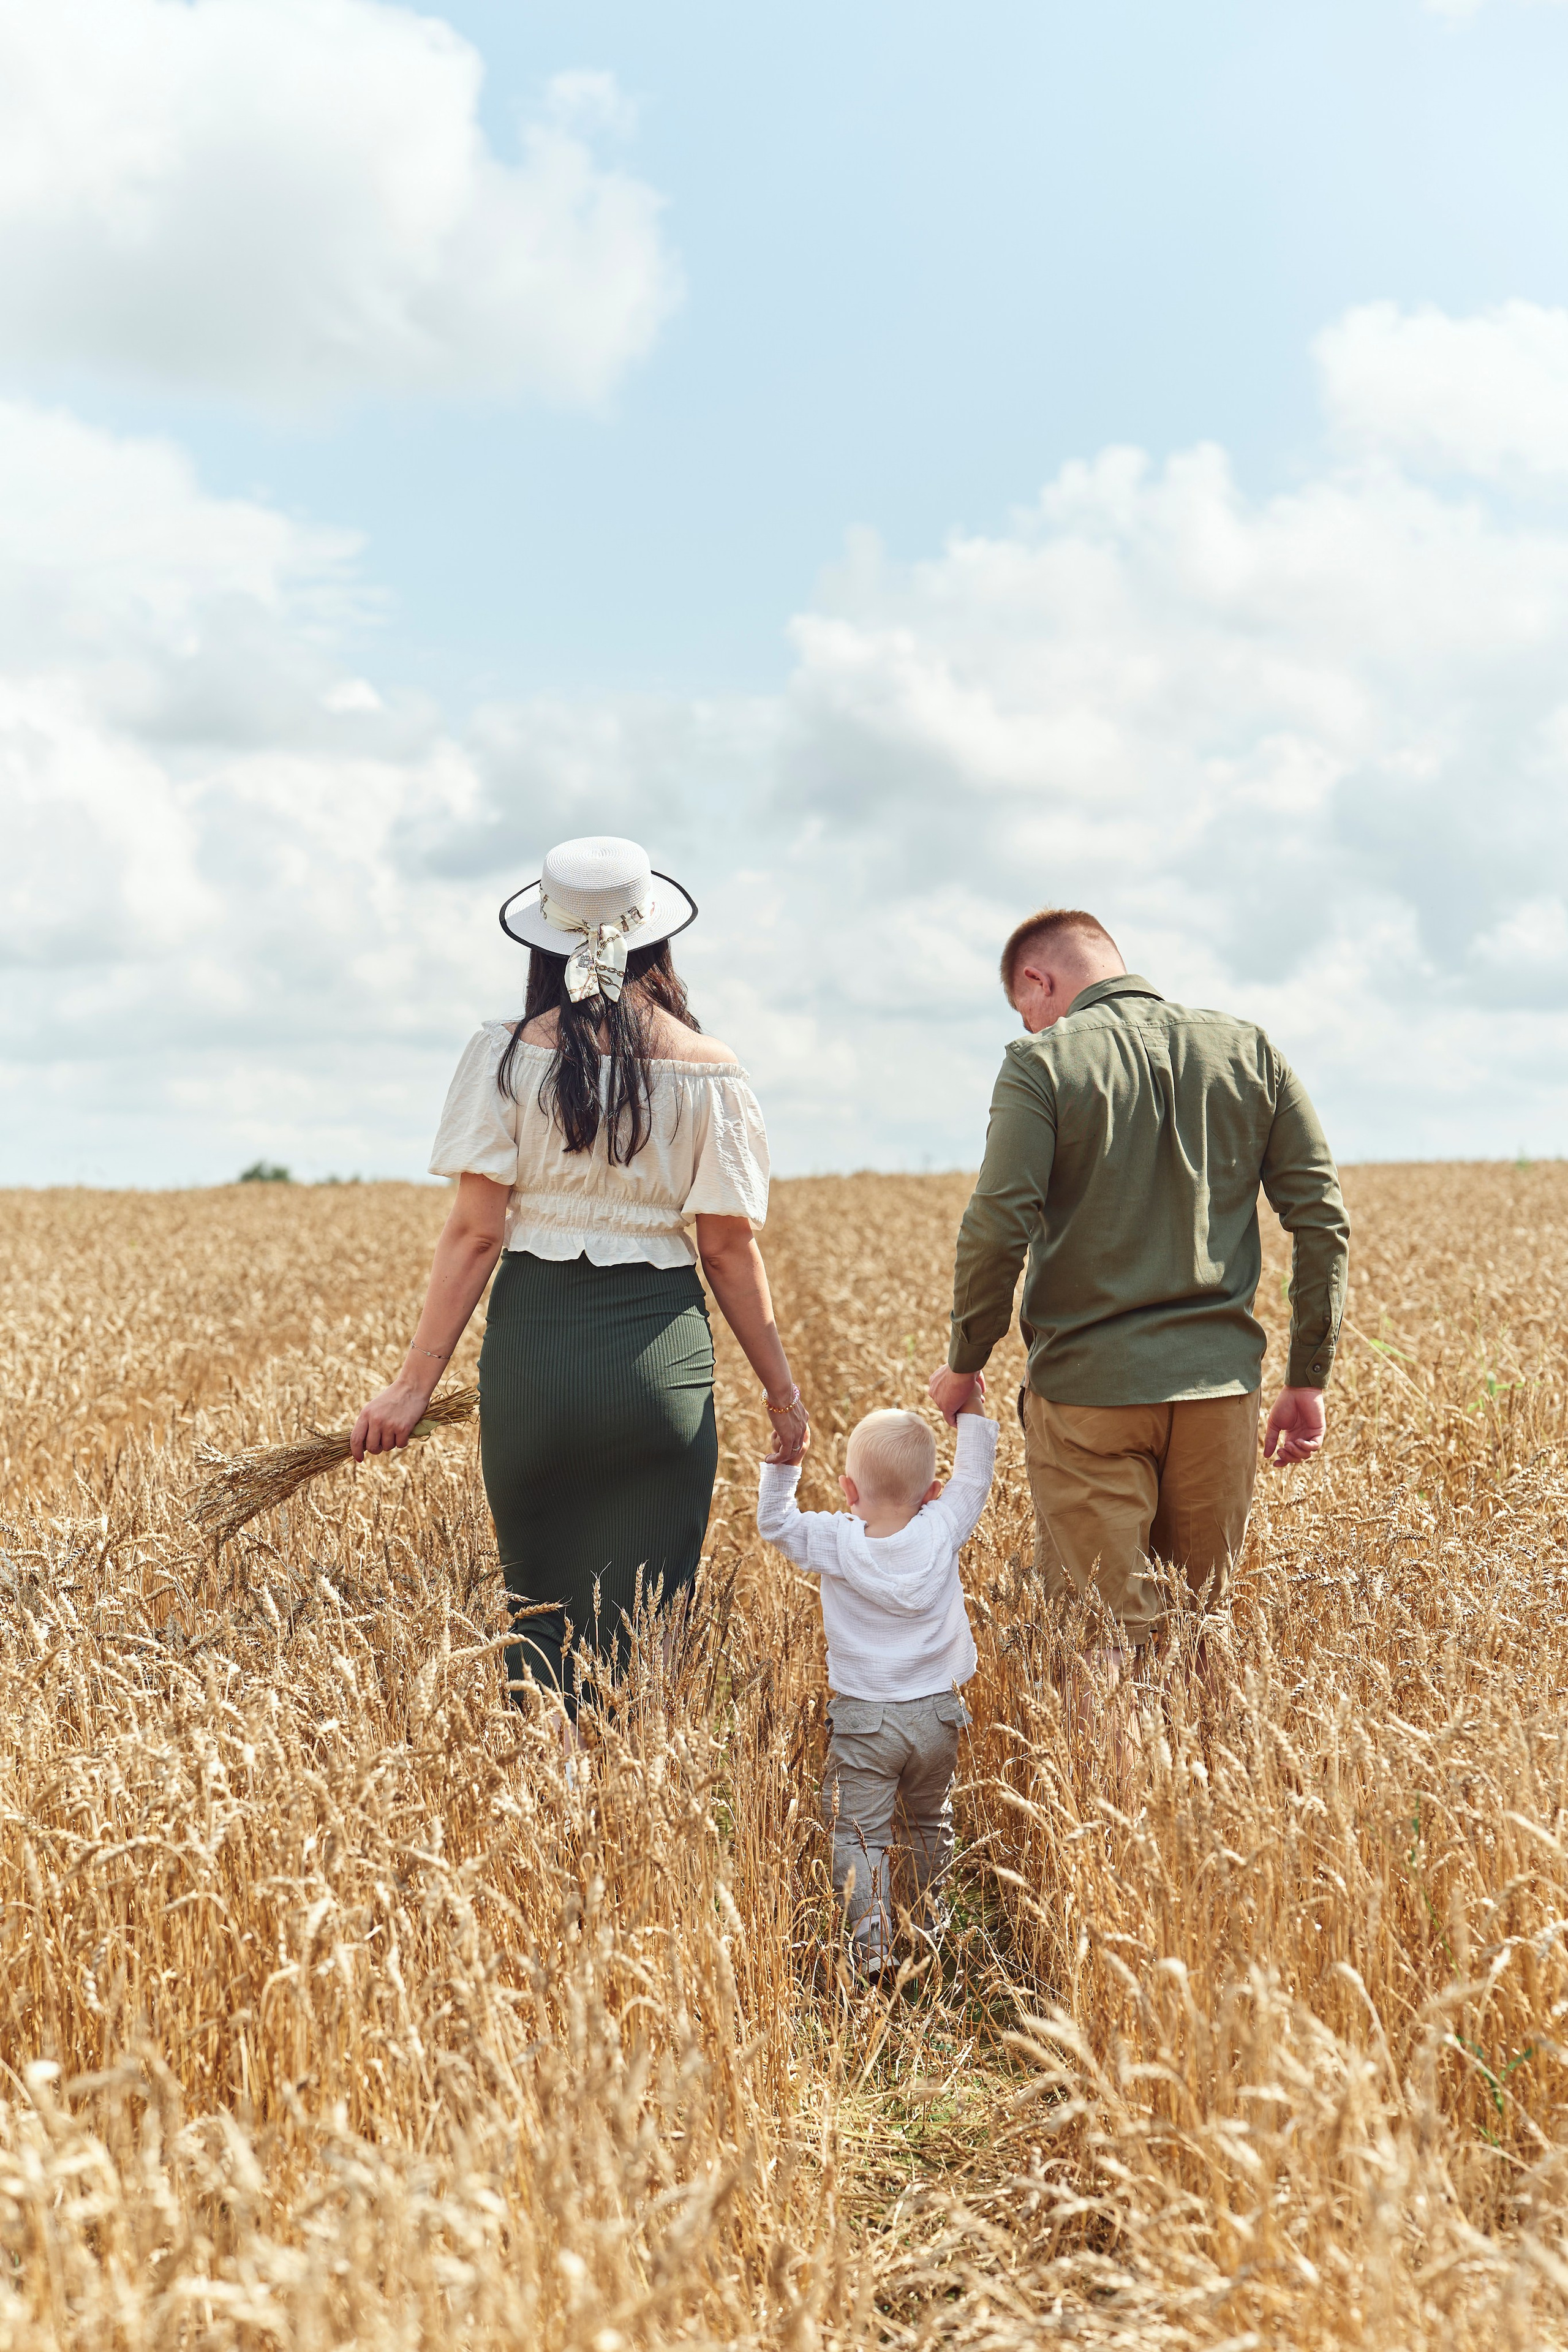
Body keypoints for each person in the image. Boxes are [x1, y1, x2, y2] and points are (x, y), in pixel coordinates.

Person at [352, 834, 810, 1720]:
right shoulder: (710, 1071)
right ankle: (634, 1821)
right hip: (658, 1368)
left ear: (544, 941)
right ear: (656, 939)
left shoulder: (503, 1055)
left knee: (540, 1623)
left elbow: (475, 1235)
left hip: (535, 1365)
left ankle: (544, 1828)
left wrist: (413, 1387)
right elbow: (725, 1251)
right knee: (647, 1632)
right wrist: (783, 1396)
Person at [929, 907, 1349, 1656]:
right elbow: (1320, 1219)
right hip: (1219, 1394)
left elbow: (996, 1227)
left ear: (1038, 978)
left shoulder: (1042, 1064)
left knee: (1099, 1645)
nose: (1032, 1027)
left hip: (1089, 1394)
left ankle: (1111, 1773)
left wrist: (967, 1360)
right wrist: (1307, 1375)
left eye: (1027, 1011)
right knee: (1197, 1635)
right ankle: (1205, 1774)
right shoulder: (1249, 1050)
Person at [758, 1396, 998, 1977]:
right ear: (931, 1490)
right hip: (938, 1717)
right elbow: (975, 1479)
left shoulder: (837, 1542)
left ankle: (871, 1948)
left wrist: (786, 1463)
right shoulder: (942, 1527)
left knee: (860, 1834)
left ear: (847, 1489)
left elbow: (776, 1524)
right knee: (927, 1822)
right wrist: (973, 1411)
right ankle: (927, 1925)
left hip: (865, 1721)